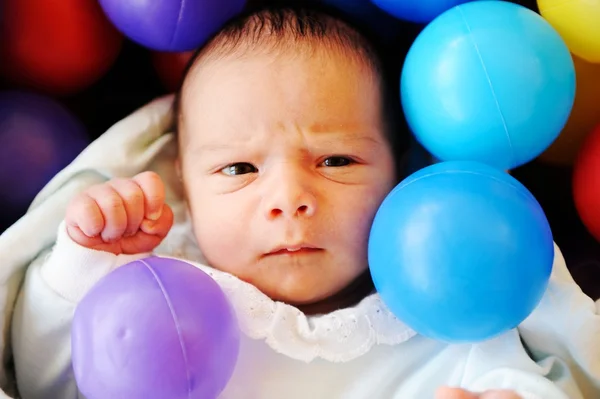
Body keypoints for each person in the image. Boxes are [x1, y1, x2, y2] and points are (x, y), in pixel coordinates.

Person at [9, 3, 600, 398]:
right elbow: (44, 376)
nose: (290, 199)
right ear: (184, 186)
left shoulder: (441, 309)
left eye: (336, 161)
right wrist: (81, 265)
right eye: (239, 168)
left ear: (399, 178)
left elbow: (537, 377)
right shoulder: (160, 285)